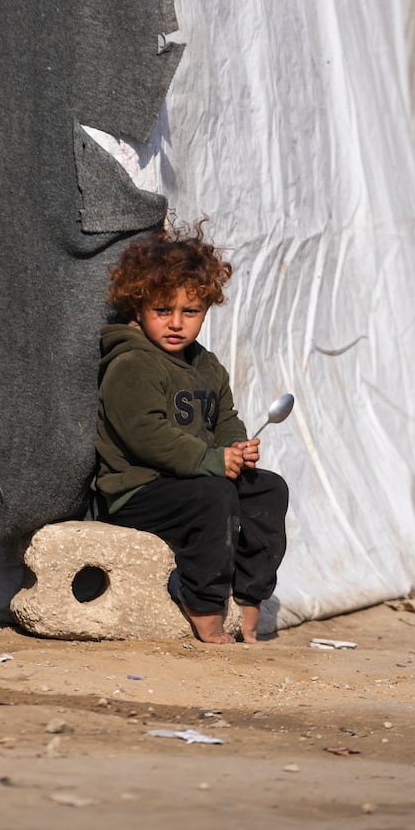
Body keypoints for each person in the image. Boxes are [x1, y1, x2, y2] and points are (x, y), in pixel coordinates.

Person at [94, 224, 289, 644]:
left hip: (192, 478)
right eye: (163, 311)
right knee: (214, 494)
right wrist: (210, 462)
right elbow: (145, 434)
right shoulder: (132, 364)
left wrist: (235, 446)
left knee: (269, 490)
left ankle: (250, 599)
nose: (177, 323)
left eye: (191, 311)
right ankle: (202, 604)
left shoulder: (207, 365)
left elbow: (225, 417)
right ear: (139, 306)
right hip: (141, 492)